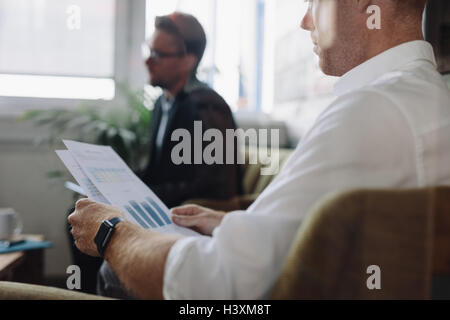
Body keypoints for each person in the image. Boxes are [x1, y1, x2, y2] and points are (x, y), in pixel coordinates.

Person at [69, 0, 450, 300]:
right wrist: (233, 224)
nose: (305, 21)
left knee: (111, 270)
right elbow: (337, 233)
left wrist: (110, 233)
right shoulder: (429, 98)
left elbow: (222, 286)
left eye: (313, 1)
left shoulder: (368, 111)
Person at [68, 12, 242, 296]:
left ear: (188, 61)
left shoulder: (207, 108)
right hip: (163, 201)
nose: (148, 60)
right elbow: (156, 169)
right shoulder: (163, 104)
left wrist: (146, 195)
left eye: (158, 55)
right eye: (149, 51)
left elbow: (214, 185)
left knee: (96, 223)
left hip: (186, 211)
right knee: (80, 212)